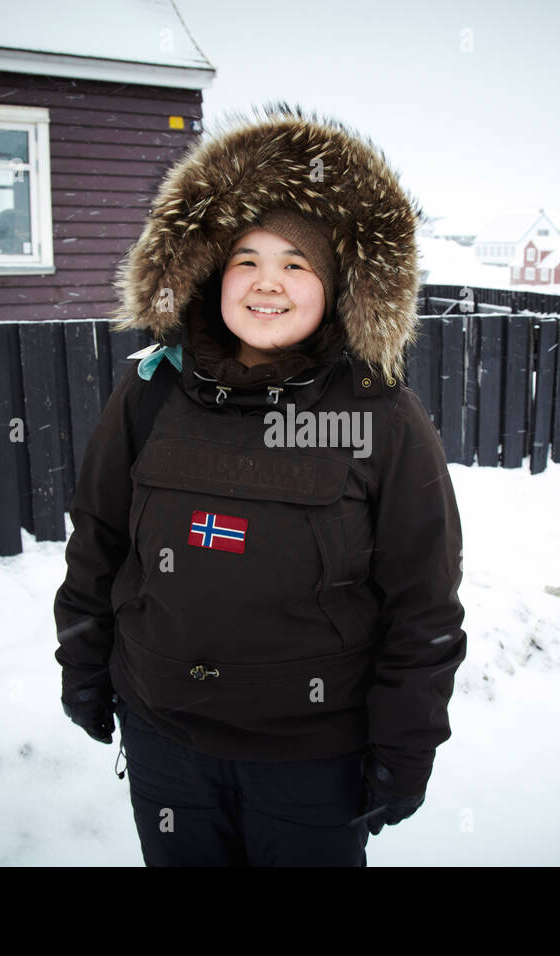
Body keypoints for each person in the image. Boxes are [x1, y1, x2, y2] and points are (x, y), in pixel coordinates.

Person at [53, 103, 466, 866]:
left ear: (338, 285)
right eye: (246, 259)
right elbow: (99, 545)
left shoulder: (381, 418)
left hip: (313, 762)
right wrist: (83, 664)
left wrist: (405, 745)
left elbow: (424, 603)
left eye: (296, 263)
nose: (265, 283)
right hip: (164, 741)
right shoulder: (149, 395)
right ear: (210, 274)